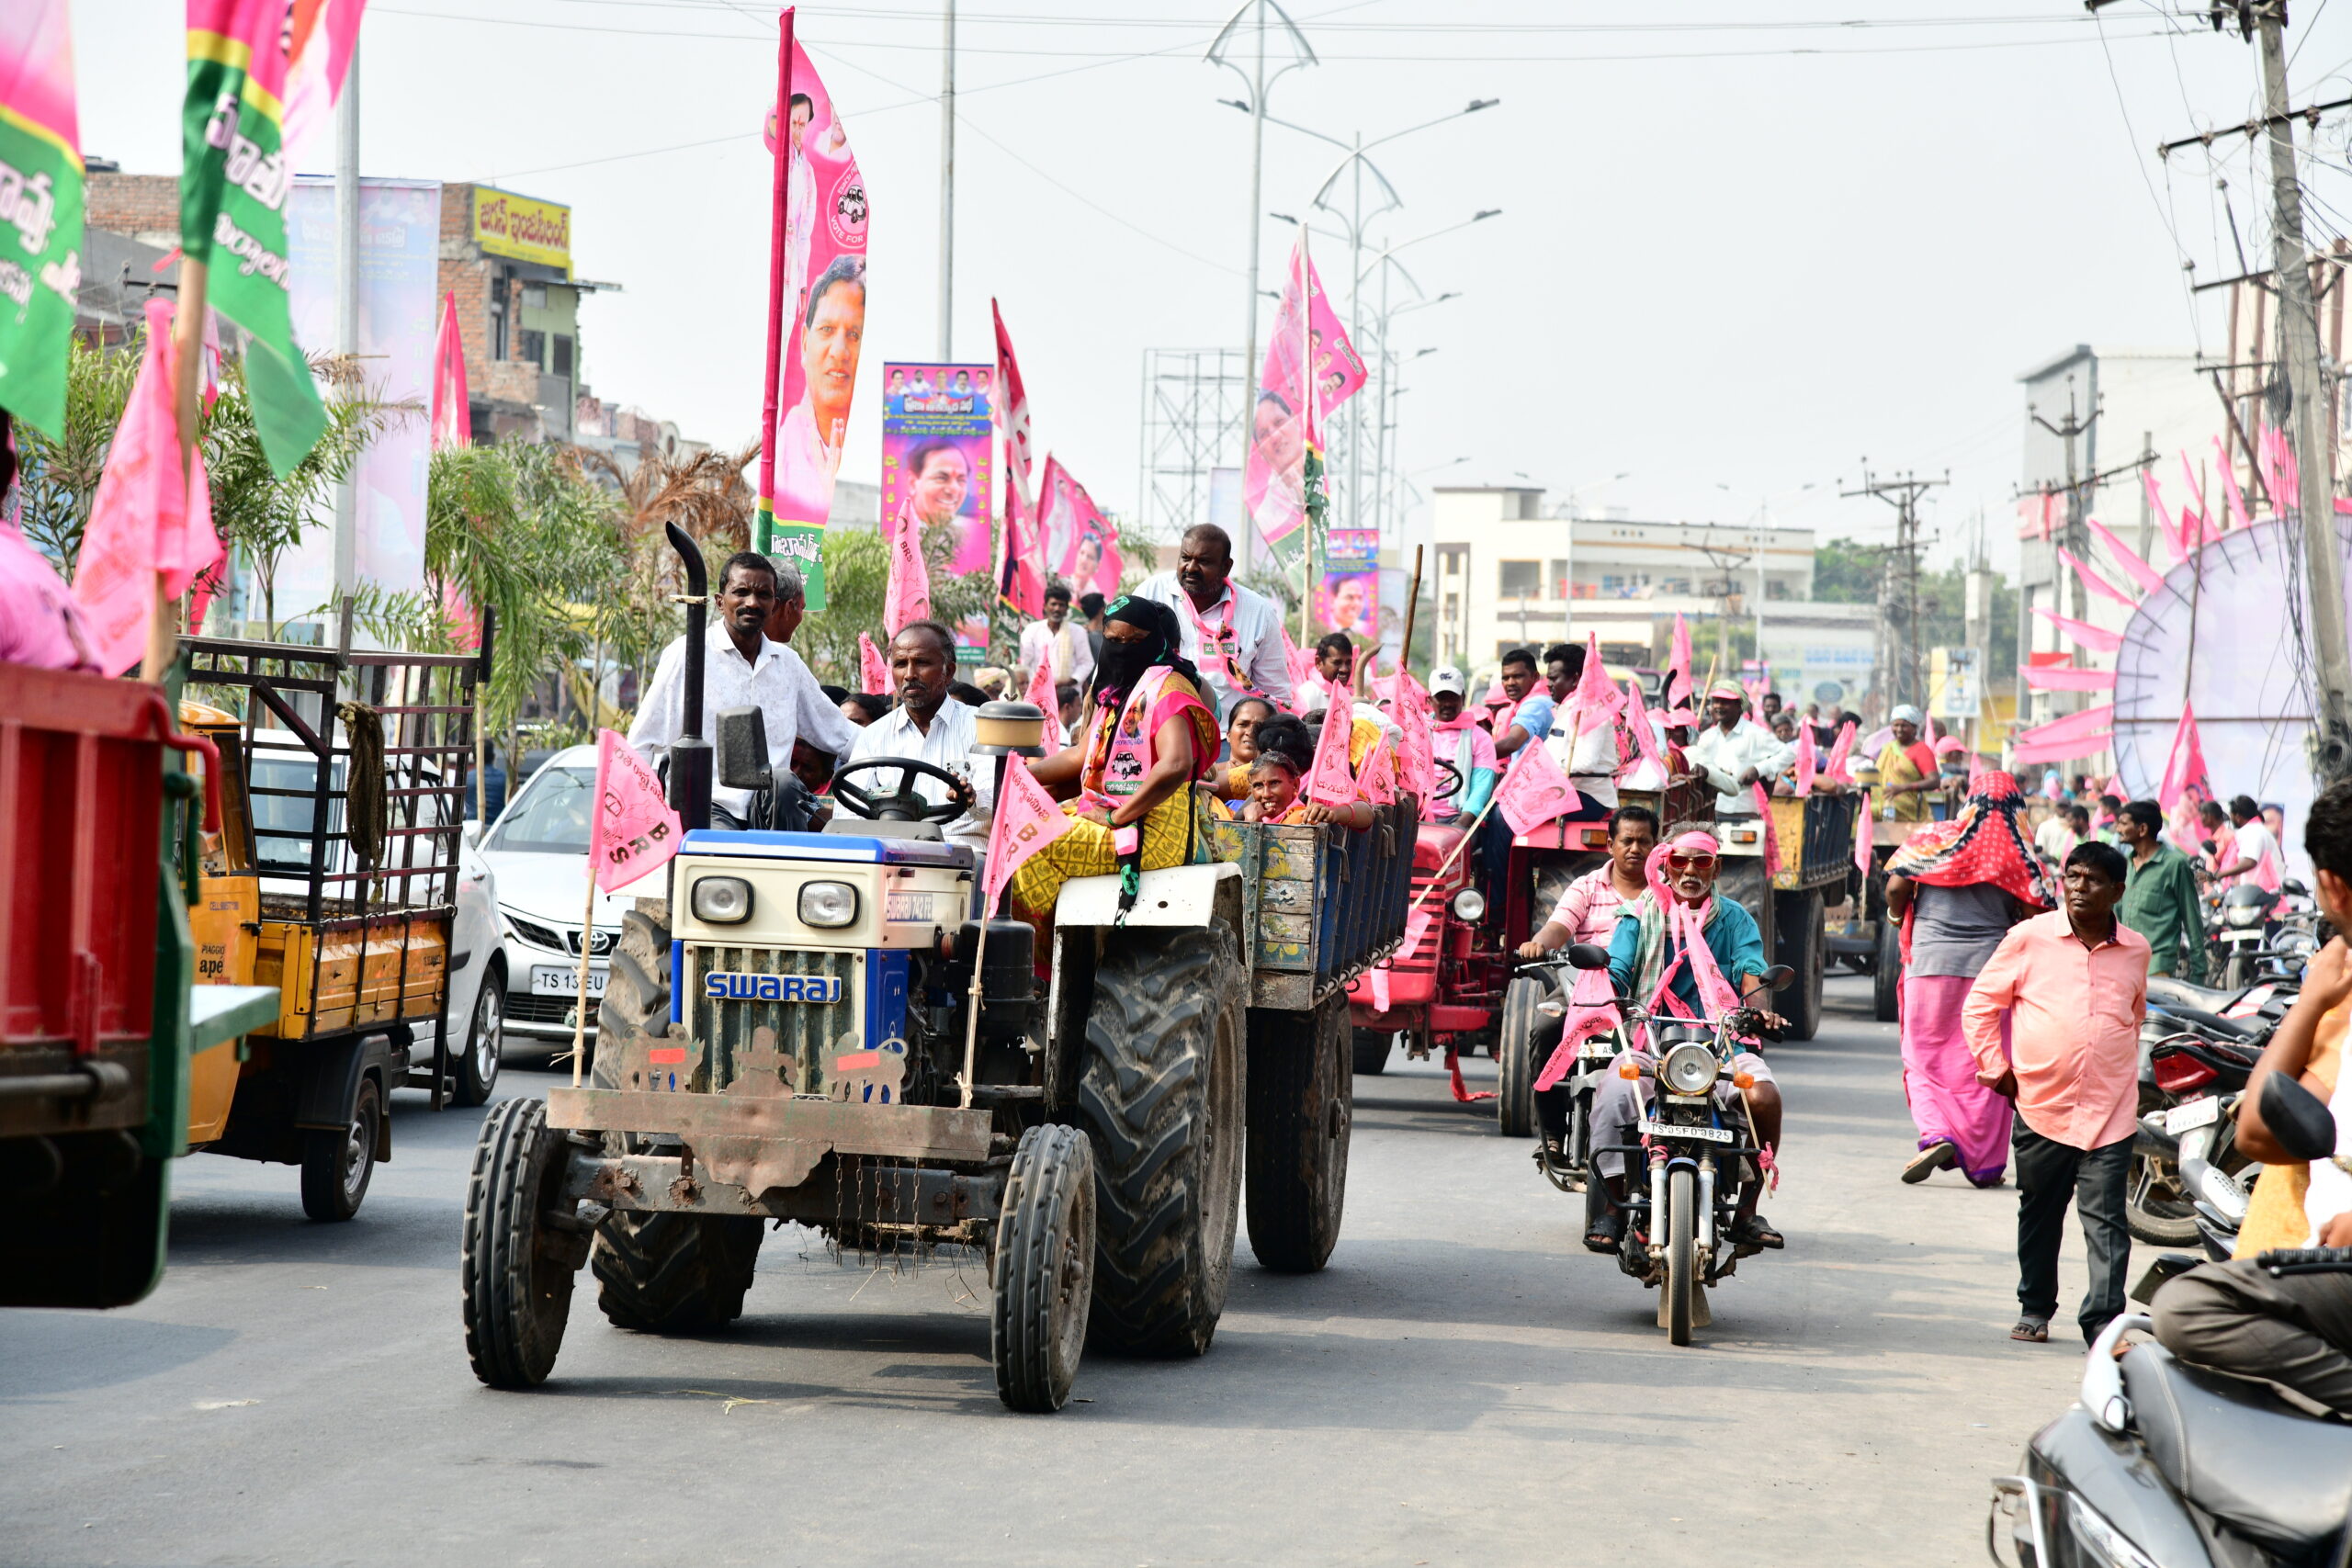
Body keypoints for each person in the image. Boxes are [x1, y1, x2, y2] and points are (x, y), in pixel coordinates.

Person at [2152, 777, 2352, 1416]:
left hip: (2321, 1262)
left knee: (2183, 1307)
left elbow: (2257, 1131)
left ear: (2332, 885)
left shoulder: (2337, 992)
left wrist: (2315, 996)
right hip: (2299, 1247)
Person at [1962, 840, 2149, 1345]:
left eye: (2092, 880)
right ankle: (2036, 1305)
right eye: (2073, 877)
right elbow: (1980, 1005)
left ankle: (2105, 1326)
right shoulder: (2029, 938)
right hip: (2043, 1103)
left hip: (2110, 1110)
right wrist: (1995, 1068)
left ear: (2117, 890)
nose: (2080, 888)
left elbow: (2133, 1017)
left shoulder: (2136, 949)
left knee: (2107, 1222)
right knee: (2040, 1213)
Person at [1582, 827, 1787, 1252]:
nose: (1690, 871)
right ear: (1666, 865)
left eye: (1701, 862)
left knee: (1764, 1097)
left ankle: (1747, 1209)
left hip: (1722, 1044)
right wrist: (1611, 997)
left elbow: (1752, 969)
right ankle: (1615, 1208)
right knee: (1613, 1094)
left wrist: (1760, 1008)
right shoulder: (1638, 913)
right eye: (1680, 862)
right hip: (1650, 1041)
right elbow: (1618, 966)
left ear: (1717, 867)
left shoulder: (1735, 919)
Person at [1884, 771, 2055, 1187]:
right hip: (1991, 972)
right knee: (1986, 1063)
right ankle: (1982, 1162)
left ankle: (1936, 1132)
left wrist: (1897, 917)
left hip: (1929, 966)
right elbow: (2039, 917)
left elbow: (1894, 888)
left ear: (1969, 801)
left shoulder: (1935, 838)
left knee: (1922, 1059)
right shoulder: (2019, 851)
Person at [1010, 596, 1221, 922]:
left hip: (1153, 828)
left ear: (1156, 641)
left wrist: (1118, 816)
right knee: (1016, 826)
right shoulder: (1115, 692)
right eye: (1114, 640)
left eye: (1135, 641)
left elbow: (1177, 763)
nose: (1124, 649)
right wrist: (1017, 777)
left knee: (1032, 842)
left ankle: (1034, 960)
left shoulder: (1168, 687)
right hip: (1110, 811)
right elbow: (1082, 755)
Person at [629, 554, 853, 824]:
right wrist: (639, 820)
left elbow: (840, 734)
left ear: (773, 605)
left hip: (771, 812)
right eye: (741, 592)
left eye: (763, 594)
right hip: (709, 809)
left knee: (784, 783)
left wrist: (902, 741)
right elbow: (641, 743)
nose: (752, 602)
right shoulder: (687, 654)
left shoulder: (788, 664)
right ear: (720, 601)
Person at [1518, 807, 1660, 1165]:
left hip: (1648, 992)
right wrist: (1540, 942)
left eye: (1644, 841)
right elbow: (1559, 926)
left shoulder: (1665, 893)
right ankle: (1552, 1133)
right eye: (1627, 840)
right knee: (1546, 1026)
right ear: (1610, 844)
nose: (1635, 849)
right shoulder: (1586, 887)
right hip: (1587, 991)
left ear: (1656, 846)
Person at [846, 620, 991, 856]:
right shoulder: (873, 736)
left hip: (963, 856)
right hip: (891, 859)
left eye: (922, 663)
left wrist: (972, 798)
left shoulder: (981, 726)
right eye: (901, 664)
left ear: (949, 672)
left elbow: (995, 804)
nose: (910, 675)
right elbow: (850, 818)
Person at [1134, 523, 1293, 717]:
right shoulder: (1150, 594)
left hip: (1228, 737)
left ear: (1226, 567)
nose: (1191, 568)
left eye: (1204, 561)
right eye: (1185, 558)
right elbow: (1118, 659)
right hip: (1159, 732)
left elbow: (1273, 692)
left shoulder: (1259, 612)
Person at [776, 256, 865, 491]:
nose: (839, 351)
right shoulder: (788, 442)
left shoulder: (857, 440)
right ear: (805, 343)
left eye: (854, 335)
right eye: (827, 329)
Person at [2116, 799, 2207, 983]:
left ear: (2142, 829)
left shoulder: (2174, 865)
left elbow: (2192, 919)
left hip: (2156, 968)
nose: (2118, 829)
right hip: (2123, 964)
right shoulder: (2124, 865)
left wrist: (2199, 972)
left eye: (2124, 824)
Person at [1684, 679, 1792, 817]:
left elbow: (1789, 754)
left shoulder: (1755, 733)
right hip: (1710, 811)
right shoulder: (1706, 738)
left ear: (1739, 706)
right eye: (1716, 701)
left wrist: (1758, 769)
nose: (1718, 706)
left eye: (1725, 702)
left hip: (1743, 811)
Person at [1425, 665, 1497, 823]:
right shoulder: (1417, 733)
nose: (1448, 703)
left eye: (1453, 697)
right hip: (1419, 815)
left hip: (1459, 817)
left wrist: (1459, 827)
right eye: (1441, 697)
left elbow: (1480, 790)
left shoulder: (1481, 738)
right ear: (1430, 700)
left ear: (1463, 698)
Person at [1016, 581, 1095, 691]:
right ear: (1045, 606)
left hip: (1069, 693)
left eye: (1061, 605)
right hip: (1039, 691)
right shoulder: (1032, 630)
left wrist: (1071, 680)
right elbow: (1025, 661)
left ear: (1067, 608)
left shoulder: (1078, 631)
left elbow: (1086, 662)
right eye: (1053, 604)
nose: (1057, 609)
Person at [1872, 705, 1938, 822]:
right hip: (1882, 809)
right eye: (1895, 725)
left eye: (1904, 725)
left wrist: (1902, 788)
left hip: (1910, 814)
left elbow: (1934, 781)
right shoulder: (1888, 748)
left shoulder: (1921, 750)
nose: (1899, 729)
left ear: (1914, 728)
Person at [899, 438, 971, 532]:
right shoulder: (900, 531)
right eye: (941, 478)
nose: (954, 489)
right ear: (912, 483)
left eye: (961, 480)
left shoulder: (970, 530)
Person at [2215, 793, 2284, 890]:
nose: (2231, 819)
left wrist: (2221, 875)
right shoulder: (2255, 829)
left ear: (2238, 816)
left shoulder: (2252, 831)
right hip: (2259, 892)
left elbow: (2249, 862)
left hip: (2268, 894)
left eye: (2232, 816)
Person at [1216, 695, 1277, 801]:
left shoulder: (1279, 779)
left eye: (1259, 727)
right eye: (1243, 724)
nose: (1250, 732)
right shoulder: (1208, 774)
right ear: (1228, 735)